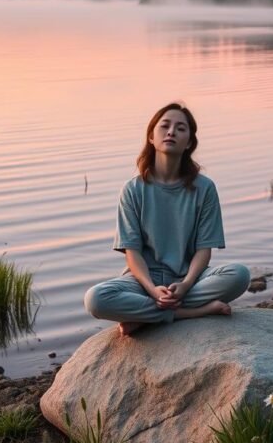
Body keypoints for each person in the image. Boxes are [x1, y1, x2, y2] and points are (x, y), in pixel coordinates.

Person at [84, 102, 251, 336]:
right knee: (95, 299)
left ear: (189, 143)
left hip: (189, 278)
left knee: (240, 275)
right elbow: (132, 252)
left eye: (181, 128)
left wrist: (185, 285)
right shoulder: (133, 189)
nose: (171, 131)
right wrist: (153, 290)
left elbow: (204, 249)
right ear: (151, 137)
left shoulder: (204, 188)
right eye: (165, 126)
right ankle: (189, 313)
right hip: (143, 282)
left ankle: (144, 316)